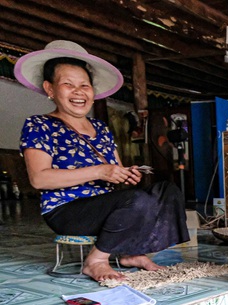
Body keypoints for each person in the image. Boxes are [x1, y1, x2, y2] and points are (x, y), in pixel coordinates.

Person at [15, 40, 189, 282]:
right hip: (67, 210)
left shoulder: (101, 128)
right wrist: (99, 171)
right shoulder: (39, 124)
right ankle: (95, 260)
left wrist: (125, 175)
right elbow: (39, 178)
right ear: (50, 89)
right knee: (137, 200)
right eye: (68, 84)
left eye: (84, 85)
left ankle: (132, 253)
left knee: (167, 191)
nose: (78, 91)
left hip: (104, 206)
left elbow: (114, 173)